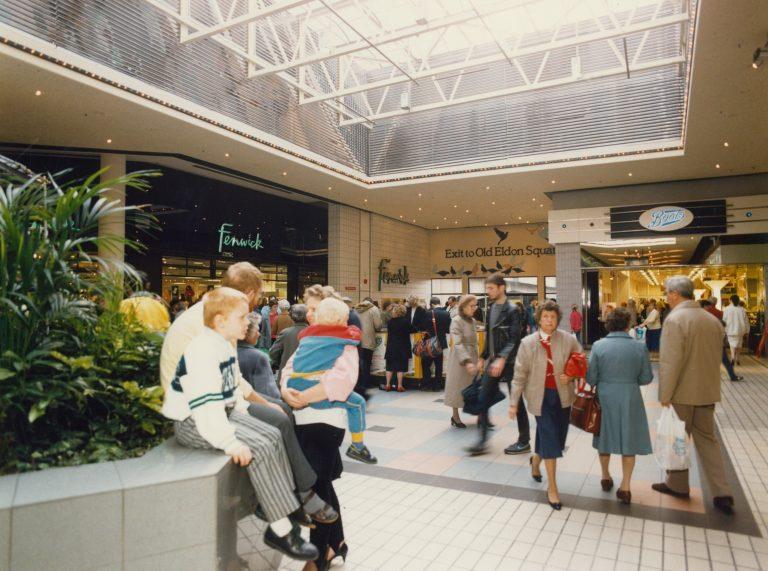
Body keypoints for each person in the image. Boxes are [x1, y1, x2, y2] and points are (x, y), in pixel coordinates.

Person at [160, 264, 337, 530]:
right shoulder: (207, 324)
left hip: (222, 401)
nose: (252, 315)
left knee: (281, 411)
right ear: (249, 293)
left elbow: (234, 378)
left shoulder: (218, 314)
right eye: (254, 301)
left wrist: (267, 403)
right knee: (278, 421)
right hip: (201, 409)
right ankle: (300, 493)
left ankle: (294, 494)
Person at [652, 276, 735, 515]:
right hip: (707, 391)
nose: (666, 298)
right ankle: (722, 491)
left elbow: (671, 361)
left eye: (668, 293)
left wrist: (665, 394)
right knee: (708, 441)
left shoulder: (675, 320)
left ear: (676, 294)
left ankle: (678, 485)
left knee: (678, 439)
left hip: (682, 393)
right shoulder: (711, 320)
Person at [281, 297, 377, 465]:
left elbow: (290, 367)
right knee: (358, 403)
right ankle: (357, 445)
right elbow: (343, 381)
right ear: (339, 320)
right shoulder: (345, 341)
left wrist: (286, 389)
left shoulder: (307, 338)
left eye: (313, 309)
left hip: (296, 389)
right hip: (321, 406)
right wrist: (306, 396)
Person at [510, 301, 582, 510]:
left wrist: (571, 375)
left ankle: (535, 461)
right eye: (545, 317)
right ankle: (553, 488)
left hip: (563, 396)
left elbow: (580, 360)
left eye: (552, 317)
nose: (549, 320)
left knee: (556, 440)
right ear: (539, 319)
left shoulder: (568, 339)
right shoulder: (528, 343)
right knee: (551, 442)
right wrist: (514, 402)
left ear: (558, 319)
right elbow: (519, 374)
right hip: (538, 397)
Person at [588, 307, 653, 505]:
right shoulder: (639, 347)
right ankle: (625, 487)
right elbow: (646, 378)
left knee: (604, 438)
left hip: (605, 398)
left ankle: (606, 476)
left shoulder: (598, 346)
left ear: (608, 325)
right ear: (627, 325)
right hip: (630, 398)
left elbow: (591, 378)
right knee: (629, 442)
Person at [466, 273, 524, 456]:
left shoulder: (513, 310)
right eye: (487, 288)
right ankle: (482, 442)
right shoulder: (490, 308)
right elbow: (490, 335)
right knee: (482, 399)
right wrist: (483, 356)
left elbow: (515, 338)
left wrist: (502, 358)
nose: (488, 292)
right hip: (492, 362)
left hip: (510, 362)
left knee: (517, 401)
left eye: (491, 288)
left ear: (502, 288)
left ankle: (524, 440)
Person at [445, 295, 479, 428]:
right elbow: (457, 343)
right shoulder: (456, 320)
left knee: (475, 387)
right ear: (463, 307)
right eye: (472, 306)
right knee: (457, 387)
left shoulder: (473, 321)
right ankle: (455, 416)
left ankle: (481, 415)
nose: (474, 308)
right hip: (460, 359)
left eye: (475, 305)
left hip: (473, 358)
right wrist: (467, 360)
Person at [238, 313, 281, 399]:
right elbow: (271, 394)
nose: (259, 334)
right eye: (256, 331)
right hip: (256, 406)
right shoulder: (258, 357)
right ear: (246, 332)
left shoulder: (226, 353)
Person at [702, 299, 743, 381]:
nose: (709, 308)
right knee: (724, 361)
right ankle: (732, 376)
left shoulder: (702, 315)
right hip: (715, 342)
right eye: (708, 307)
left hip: (709, 342)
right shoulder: (709, 315)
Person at [419, 297, 452, 392]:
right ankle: (437, 385)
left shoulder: (427, 313)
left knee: (425, 364)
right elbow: (448, 329)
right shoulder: (446, 313)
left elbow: (422, 327)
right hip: (440, 342)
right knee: (438, 365)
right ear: (439, 303)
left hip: (429, 342)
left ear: (431, 304)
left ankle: (426, 384)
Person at [270, 304, 309, 382]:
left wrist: (280, 362)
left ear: (292, 317)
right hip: (308, 376)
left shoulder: (285, 333)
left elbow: (273, 353)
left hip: (287, 375)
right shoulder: (313, 333)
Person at [355, 297, 382, 396]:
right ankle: (367, 383)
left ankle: (359, 383)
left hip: (356, 339)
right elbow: (378, 325)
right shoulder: (374, 309)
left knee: (359, 362)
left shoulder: (356, 308)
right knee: (367, 362)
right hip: (368, 340)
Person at [383, 303, 411, 392]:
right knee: (400, 367)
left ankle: (387, 385)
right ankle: (399, 385)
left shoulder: (390, 321)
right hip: (402, 347)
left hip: (391, 346)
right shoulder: (405, 321)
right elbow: (413, 329)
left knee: (389, 367)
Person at [723, 294, 750, 365]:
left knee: (732, 344)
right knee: (739, 344)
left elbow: (724, 320)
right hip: (740, 330)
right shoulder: (742, 309)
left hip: (730, 329)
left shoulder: (727, 309)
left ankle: (732, 357)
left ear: (730, 300)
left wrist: (723, 329)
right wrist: (747, 330)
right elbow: (746, 320)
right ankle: (738, 358)